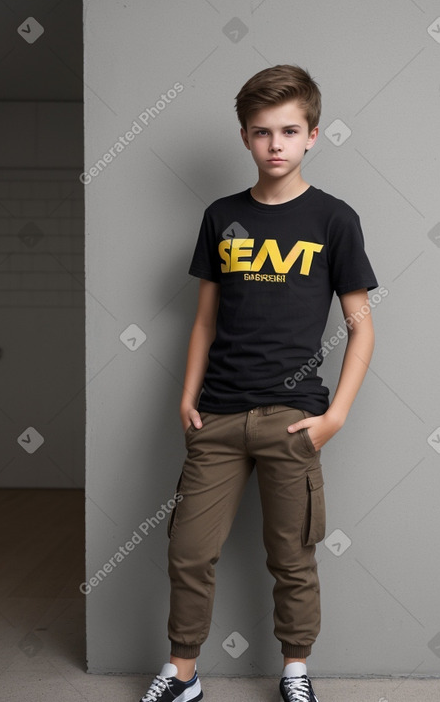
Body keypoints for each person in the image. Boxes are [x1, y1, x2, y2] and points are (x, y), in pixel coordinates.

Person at [140, 64, 378, 702]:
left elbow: (362, 328)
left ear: (313, 136)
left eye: (290, 130)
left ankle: (295, 672)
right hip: (217, 418)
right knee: (189, 552)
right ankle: (183, 674)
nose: (276, 143)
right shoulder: (222, 216)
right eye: (261, 132)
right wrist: (187, 395)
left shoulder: (334, 219)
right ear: (244, 138)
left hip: (293, 418)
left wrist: (336, 417)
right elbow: (204, 320)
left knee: (292, 558)